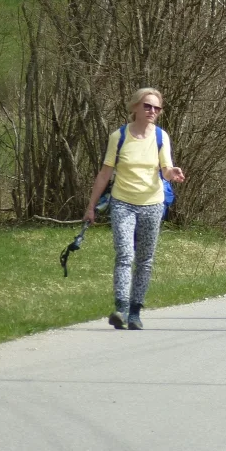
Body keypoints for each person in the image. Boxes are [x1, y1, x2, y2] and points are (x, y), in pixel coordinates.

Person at [84, 88, 186, 330]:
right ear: (135, 108)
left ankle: (135, 312)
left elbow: (166, 169)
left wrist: (174, 173)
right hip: (122, 203)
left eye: (157, 108)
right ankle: (120, 307)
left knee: (145, 260)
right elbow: (105, 173)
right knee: (124, 254)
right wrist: (91, 207)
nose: (152, 111)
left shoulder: (162, 137)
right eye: (148, 106)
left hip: (152, 204)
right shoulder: (118, 137)